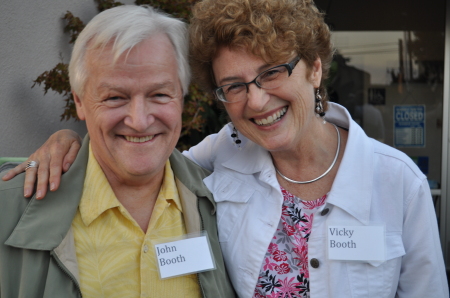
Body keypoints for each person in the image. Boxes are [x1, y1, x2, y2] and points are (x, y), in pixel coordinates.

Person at [4, 0, 448, 297]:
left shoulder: (397, 181)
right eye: (233, 85)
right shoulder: (223, 157)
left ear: (314, 69)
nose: (256, 100)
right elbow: (142, 154)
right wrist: (66, 145)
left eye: (272, 73)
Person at [0, 5, 235, 298]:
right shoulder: (8, 210)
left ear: (182, 97)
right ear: (80, 102)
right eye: (115, 97)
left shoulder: (223, 200)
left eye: (159, 94)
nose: (139, 121)